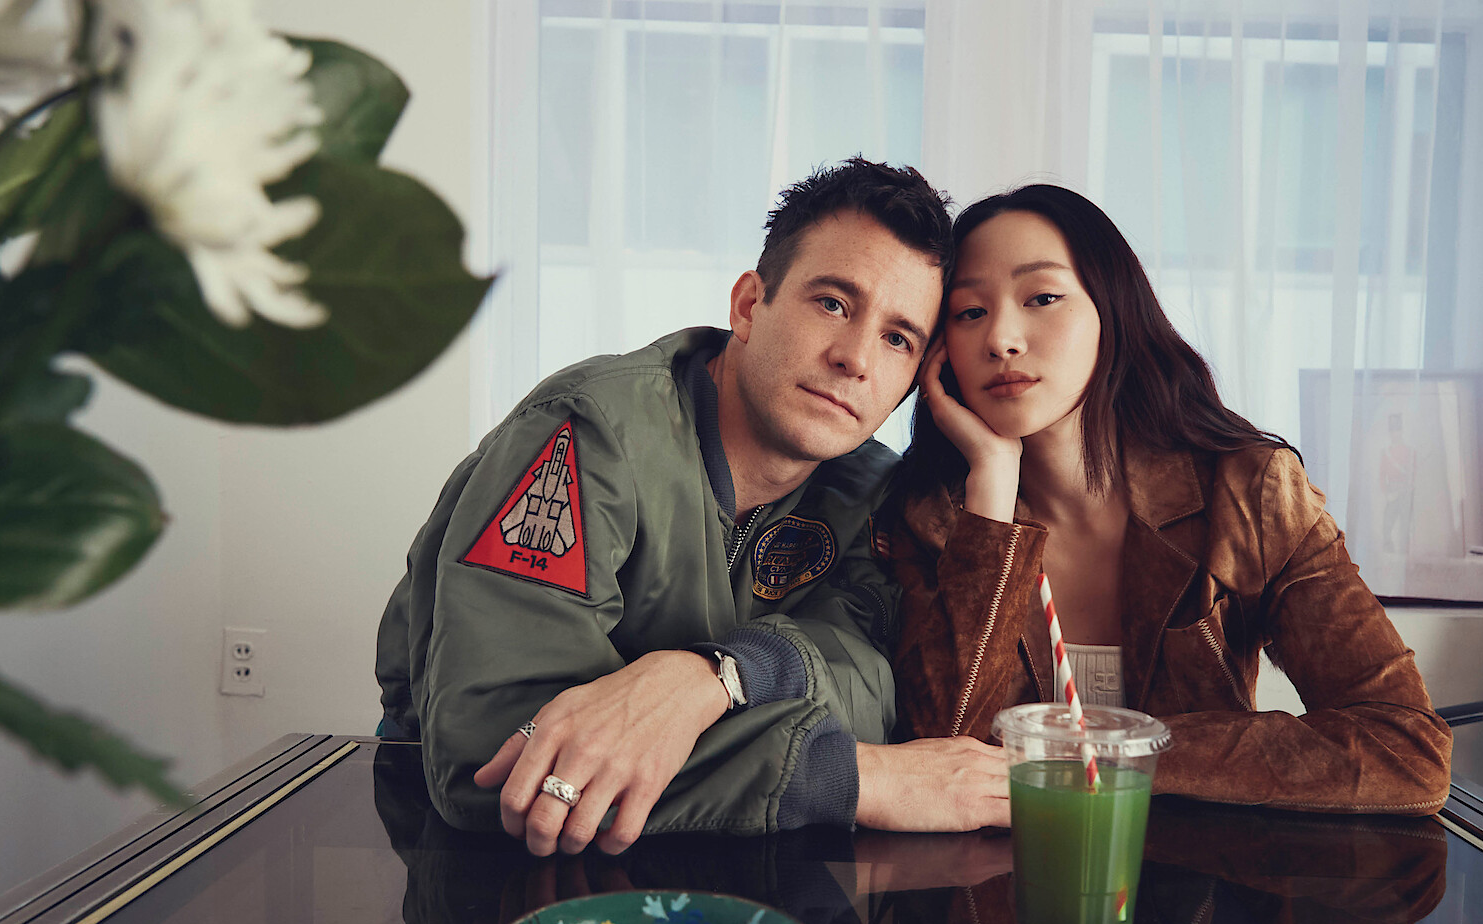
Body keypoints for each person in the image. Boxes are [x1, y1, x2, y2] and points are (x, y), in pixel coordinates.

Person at [374, 159, 1011, 859]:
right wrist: (856, 778)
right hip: (482, 860)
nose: (856, 358)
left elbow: (871, 686)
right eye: (833, 303)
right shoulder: (585, 436)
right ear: (749, 305)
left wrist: (714, 677)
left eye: (898, 339)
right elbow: (493, 754)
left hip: (723, 860)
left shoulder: (868, 492)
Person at [883, 184, 1450, 815]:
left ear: (1113, 310)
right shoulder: (930, 519)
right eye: (969, 312)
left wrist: (1109, 754)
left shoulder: (1248, 493)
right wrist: (991, 487)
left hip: (1203, 869)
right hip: (1005, 872)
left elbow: (1406, 750)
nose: (1002, 339)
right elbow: (939, 758)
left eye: (1042, 298)